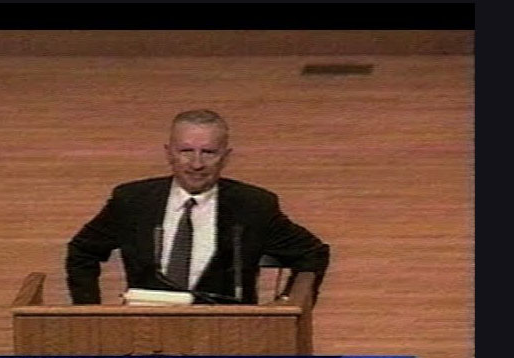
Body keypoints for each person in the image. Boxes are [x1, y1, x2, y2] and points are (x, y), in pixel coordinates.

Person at [66, 109, 329, 305]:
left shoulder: (253, 206)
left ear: (226, 157)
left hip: (229, 334)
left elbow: (312, 253)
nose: (196, 164)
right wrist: (88, 309)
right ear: (168, 153)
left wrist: (286, 305)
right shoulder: (132, 201)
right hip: (146, 331)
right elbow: (82, 251)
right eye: (186, 151)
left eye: (208, 152)